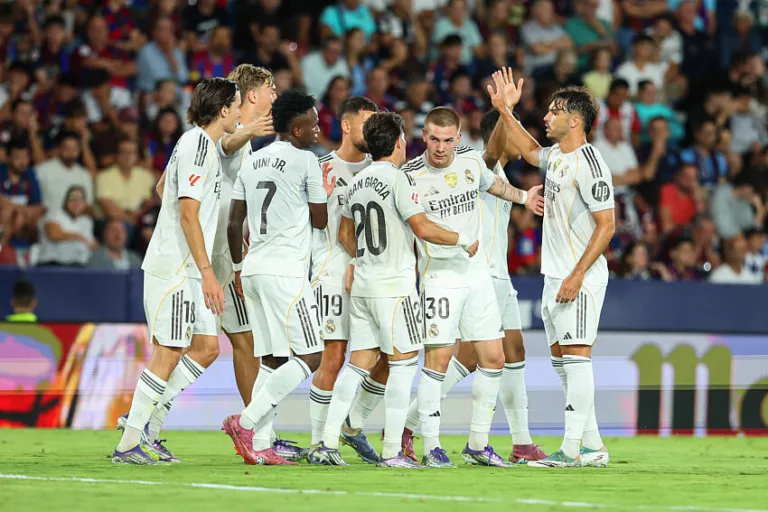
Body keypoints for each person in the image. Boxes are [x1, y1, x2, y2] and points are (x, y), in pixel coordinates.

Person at [308, 112, 479, 467]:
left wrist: (366, 260)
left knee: (357, 365)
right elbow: (422, 227)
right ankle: (391, 452)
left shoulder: (357, 181)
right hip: (395, 289)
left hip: (363, 286)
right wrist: (463, 239)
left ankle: (326, 442)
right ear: (399, 142)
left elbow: (344, 235)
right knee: (403, 366)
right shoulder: (399, 179)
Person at [400, 105, 543, 468]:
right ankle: (418, 431)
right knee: (450, 359)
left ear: (457, 139)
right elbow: (491, 152)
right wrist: (505, 111)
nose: (441, 147)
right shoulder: (472, 162)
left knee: (503, 356)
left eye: (448, 140)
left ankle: (500, 442)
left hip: (486, 274)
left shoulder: (479, 168)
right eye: (434, 139)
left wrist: (524, 197)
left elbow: (495, 181)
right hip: (453, 275)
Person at [487, 68, 614, 467]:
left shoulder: (590, 163)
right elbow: (528, 151)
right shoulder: (558, 156)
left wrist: (577, 275)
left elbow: (607, 225)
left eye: (554, 112)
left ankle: (571, 449)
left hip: (579, 276)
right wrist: (505, 111)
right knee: (562, 362)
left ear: (574, 121)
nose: (546, 117)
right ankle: (592, 446)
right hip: (555, 274)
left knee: (576, 358)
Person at [112, 77, 241, 465]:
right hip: (177, 268)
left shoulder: (196, 144)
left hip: (188, 268)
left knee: (206, 348)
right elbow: (187, 214)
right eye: (236, 105)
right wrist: (207, 270)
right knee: (168, 351)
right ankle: (129, 442)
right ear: (222, 110)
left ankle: (145, 423)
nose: (238, 112)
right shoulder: (198, 145)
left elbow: (161, 188)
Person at [222, 90, 334, 466]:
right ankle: (246, 422)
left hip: (253, 268)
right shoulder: (306, 161)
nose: (317, 130)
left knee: (271, 359)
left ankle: (262, 444)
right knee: (311, 355)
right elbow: (320, 221)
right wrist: (323, 194)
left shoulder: (252, 160)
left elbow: (234, 223)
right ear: (296, 128)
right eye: (313, 124)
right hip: (286, 272)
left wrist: (238, 268)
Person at [309, 96, 387, 464]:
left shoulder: (381, 170)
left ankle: (351, 424)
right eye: (366, 123)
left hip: (373, 277)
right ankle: (319, 444)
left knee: (389, 354)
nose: (372, 131)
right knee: (334, 355)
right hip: (332, 273)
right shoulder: (321, 168)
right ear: (345, 125)